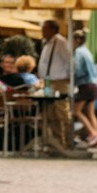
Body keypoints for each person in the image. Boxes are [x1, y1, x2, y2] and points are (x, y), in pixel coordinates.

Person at [37, 20, 73, 154]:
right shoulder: (47, 43)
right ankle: (54, 141)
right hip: (47, 82)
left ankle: (65, 141)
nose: (42, 31)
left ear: (53, 29)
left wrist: (68, 77)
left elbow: (69, 61)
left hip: (58, 81)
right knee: (49, 111)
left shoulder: (60, 42)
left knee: (61, 111)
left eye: (45, 29)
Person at [72, 29, 97, 147]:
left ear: (76, 40)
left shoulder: (78, 52)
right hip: (93, 84)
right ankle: (96, 140)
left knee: (76, 111)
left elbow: (77, 70)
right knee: (90, 112)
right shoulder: (87, 50)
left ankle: (93, 134)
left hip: (84, 84)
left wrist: (71, 78)